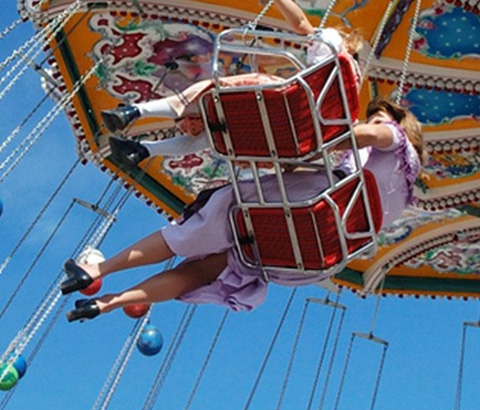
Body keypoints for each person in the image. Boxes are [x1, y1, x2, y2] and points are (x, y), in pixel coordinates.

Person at [62, 97, 425, 321]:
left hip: (302, 211)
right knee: (207, 269)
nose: (373, 123)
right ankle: (109, 303)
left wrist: (308, 143)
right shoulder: (404, 194)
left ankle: (99, 269)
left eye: (378, 118)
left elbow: (358, 136)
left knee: (190, 231)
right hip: (309, 254)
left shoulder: (393, 138)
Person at [102, 0, 363, 169]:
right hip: (294, 133)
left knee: (207, 91)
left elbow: (302, 25)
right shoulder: (351, 91)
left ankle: (134, 111)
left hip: (289, 103)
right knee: (214, 137)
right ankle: (143, 150)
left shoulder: (331, 41)